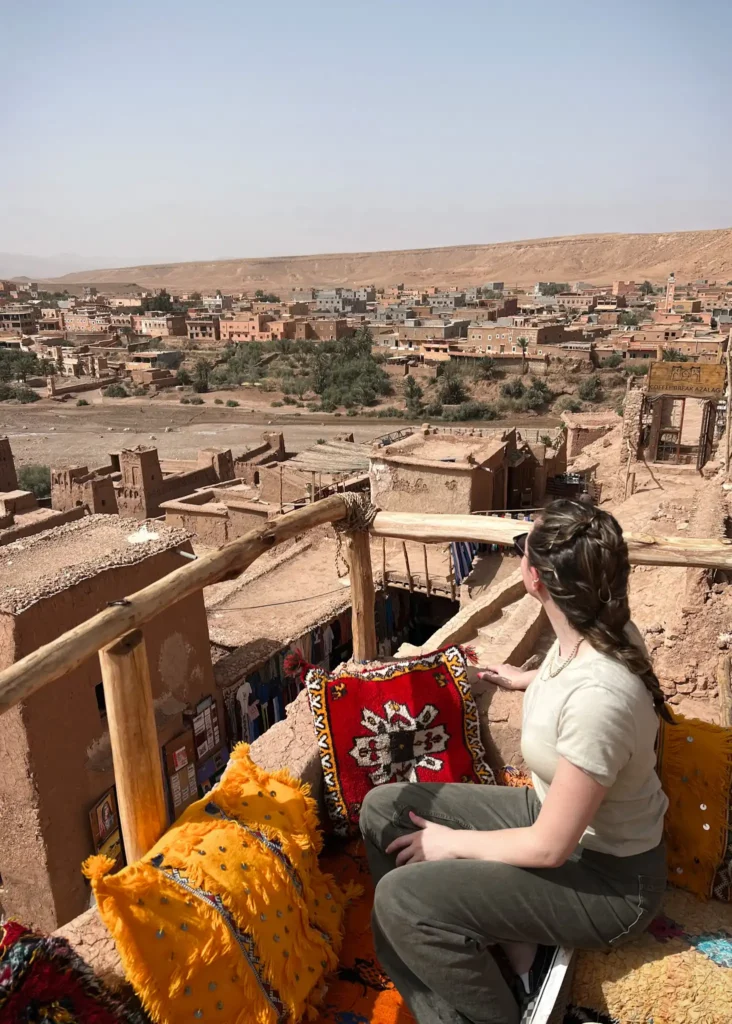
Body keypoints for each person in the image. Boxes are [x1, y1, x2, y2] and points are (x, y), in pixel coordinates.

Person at [360, 499, 670, 1024]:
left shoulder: (599, 699)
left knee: (400, 903)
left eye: (521, 546)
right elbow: (570, 678)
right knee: (384, 810)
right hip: (557, 821)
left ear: (535, 577)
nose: (518, 553)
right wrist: (525, 679)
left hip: (608, 882)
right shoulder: (592, 625)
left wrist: (451, 844)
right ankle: (473, 946)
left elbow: (549, 846)